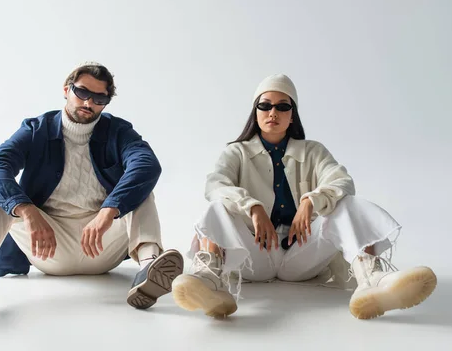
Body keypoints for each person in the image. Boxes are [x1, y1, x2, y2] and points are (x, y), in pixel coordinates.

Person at [0, 62, 183, 313]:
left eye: (99, 98)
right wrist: (27, 210)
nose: (89, 102)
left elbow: (147, 165)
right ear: (66, 89)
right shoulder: (36, 130)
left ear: (106, 102)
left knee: (141, 191)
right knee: (3, 196)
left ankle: (148, 270)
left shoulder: (119, 132)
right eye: (82, 92)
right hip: (48, 246)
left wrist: (108, 210)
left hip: (102, 244)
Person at [171, 74, 436, 319]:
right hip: (254, 256)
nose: (273, 112)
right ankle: (210, 279)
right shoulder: (236, 153)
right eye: (265, 106)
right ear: (256, 111)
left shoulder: (313, 151)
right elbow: (215, 185)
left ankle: (372, 279)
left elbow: (341, 180)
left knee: (346, 204)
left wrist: (311, 201)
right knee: (218, 206)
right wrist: (253, 207)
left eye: (282, 106)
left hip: (301, 256)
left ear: (292, 115)